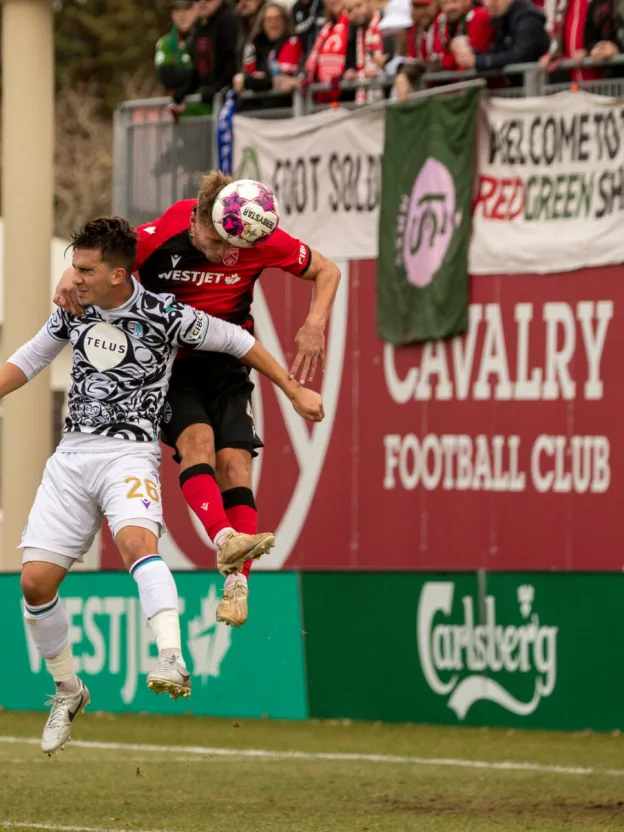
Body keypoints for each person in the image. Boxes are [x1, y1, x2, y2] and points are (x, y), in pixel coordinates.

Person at [21, 217, 324, 755]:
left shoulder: (165, 315)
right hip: (70, 458)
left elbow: (238, 341)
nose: (74, 277)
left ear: (119, 274)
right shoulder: (75, 312)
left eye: (85, 269)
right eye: (75, 267)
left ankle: (171, 657)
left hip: (128, 455)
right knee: (35, 587)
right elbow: (27, 362)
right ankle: (68, 691)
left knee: (140, 545)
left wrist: (295, 391)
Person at [55, 174, 341, 631]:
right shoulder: (163, 233)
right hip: (170, 364)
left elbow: (327, 269)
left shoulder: (253, 235)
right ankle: (224, 538)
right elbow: (104, 259)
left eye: (231, 243)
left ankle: (237, 586)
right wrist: (72, 274)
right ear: (195, 219)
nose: (222, 250)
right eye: (212, 238)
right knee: (198, 443)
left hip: (229, 360)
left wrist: (314, 323)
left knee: (236, 467)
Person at [168, 0, 238, 117]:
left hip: (229, 100)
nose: (203, 2)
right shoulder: (198, 27)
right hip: (211, 100)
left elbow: (232, 61)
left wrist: (219, 87)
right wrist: (183, 91)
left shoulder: (230, 22)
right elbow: (198, 68)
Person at [233, 2, 304, 103]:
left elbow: (281, 81)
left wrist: (252, 81)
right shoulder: (255, 46)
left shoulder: (292, 43)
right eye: (269, 20)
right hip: (254, 107)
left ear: (285, 21)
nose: (273, 23)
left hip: (282, 107)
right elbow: (243, 78)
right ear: (263, 23)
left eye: (277, 18)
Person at [453, 0, 549, 72]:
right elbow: (498, 52)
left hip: (543, 90)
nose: (491, 3)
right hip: (523, 90)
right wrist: (470, 54)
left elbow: (520, 55)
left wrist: (477, 61)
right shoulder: (501, 18)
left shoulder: (527, 19)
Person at [392, 0, 439, 100]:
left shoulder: (443, 22)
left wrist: (409, 72)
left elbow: (441, 63)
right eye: (416, 7)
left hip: (452, 89)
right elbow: (414, 60)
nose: (420, 12)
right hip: (430, 93)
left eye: (424, 7)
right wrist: (403, 74)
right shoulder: (416, 29)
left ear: (435, 4)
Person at [305, 0, 350, 102]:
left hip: (348, 95)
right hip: (323, 97)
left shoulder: (353, 22)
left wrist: (345, 74)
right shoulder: (325, 29)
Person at [342, 0, 386, 103]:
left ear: (370, 2)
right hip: (363, 100)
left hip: (387, 97)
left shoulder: (385, 24)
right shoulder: (352, 33)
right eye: (350, 10)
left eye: (359, 6)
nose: (355, 12)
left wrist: (381, 70)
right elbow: (350, 65)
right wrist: (350, 72)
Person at [431, 0, 493, 70]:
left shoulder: (479, 15)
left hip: (482, 76)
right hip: (457, 77)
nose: (450, 7)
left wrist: (444, 63)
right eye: (444, 3)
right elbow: (438, 53)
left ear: (467, 1)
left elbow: (469, 57)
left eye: (454, 1)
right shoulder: (442, 20)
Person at [155, 0, 197, 101]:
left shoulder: (208, 37)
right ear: (172, 14)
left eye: (187, 8)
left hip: (213, 108)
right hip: (184, 109)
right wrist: (197, 74)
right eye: (177, 10)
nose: (182, 15)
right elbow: (168, 78)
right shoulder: (166, 42)